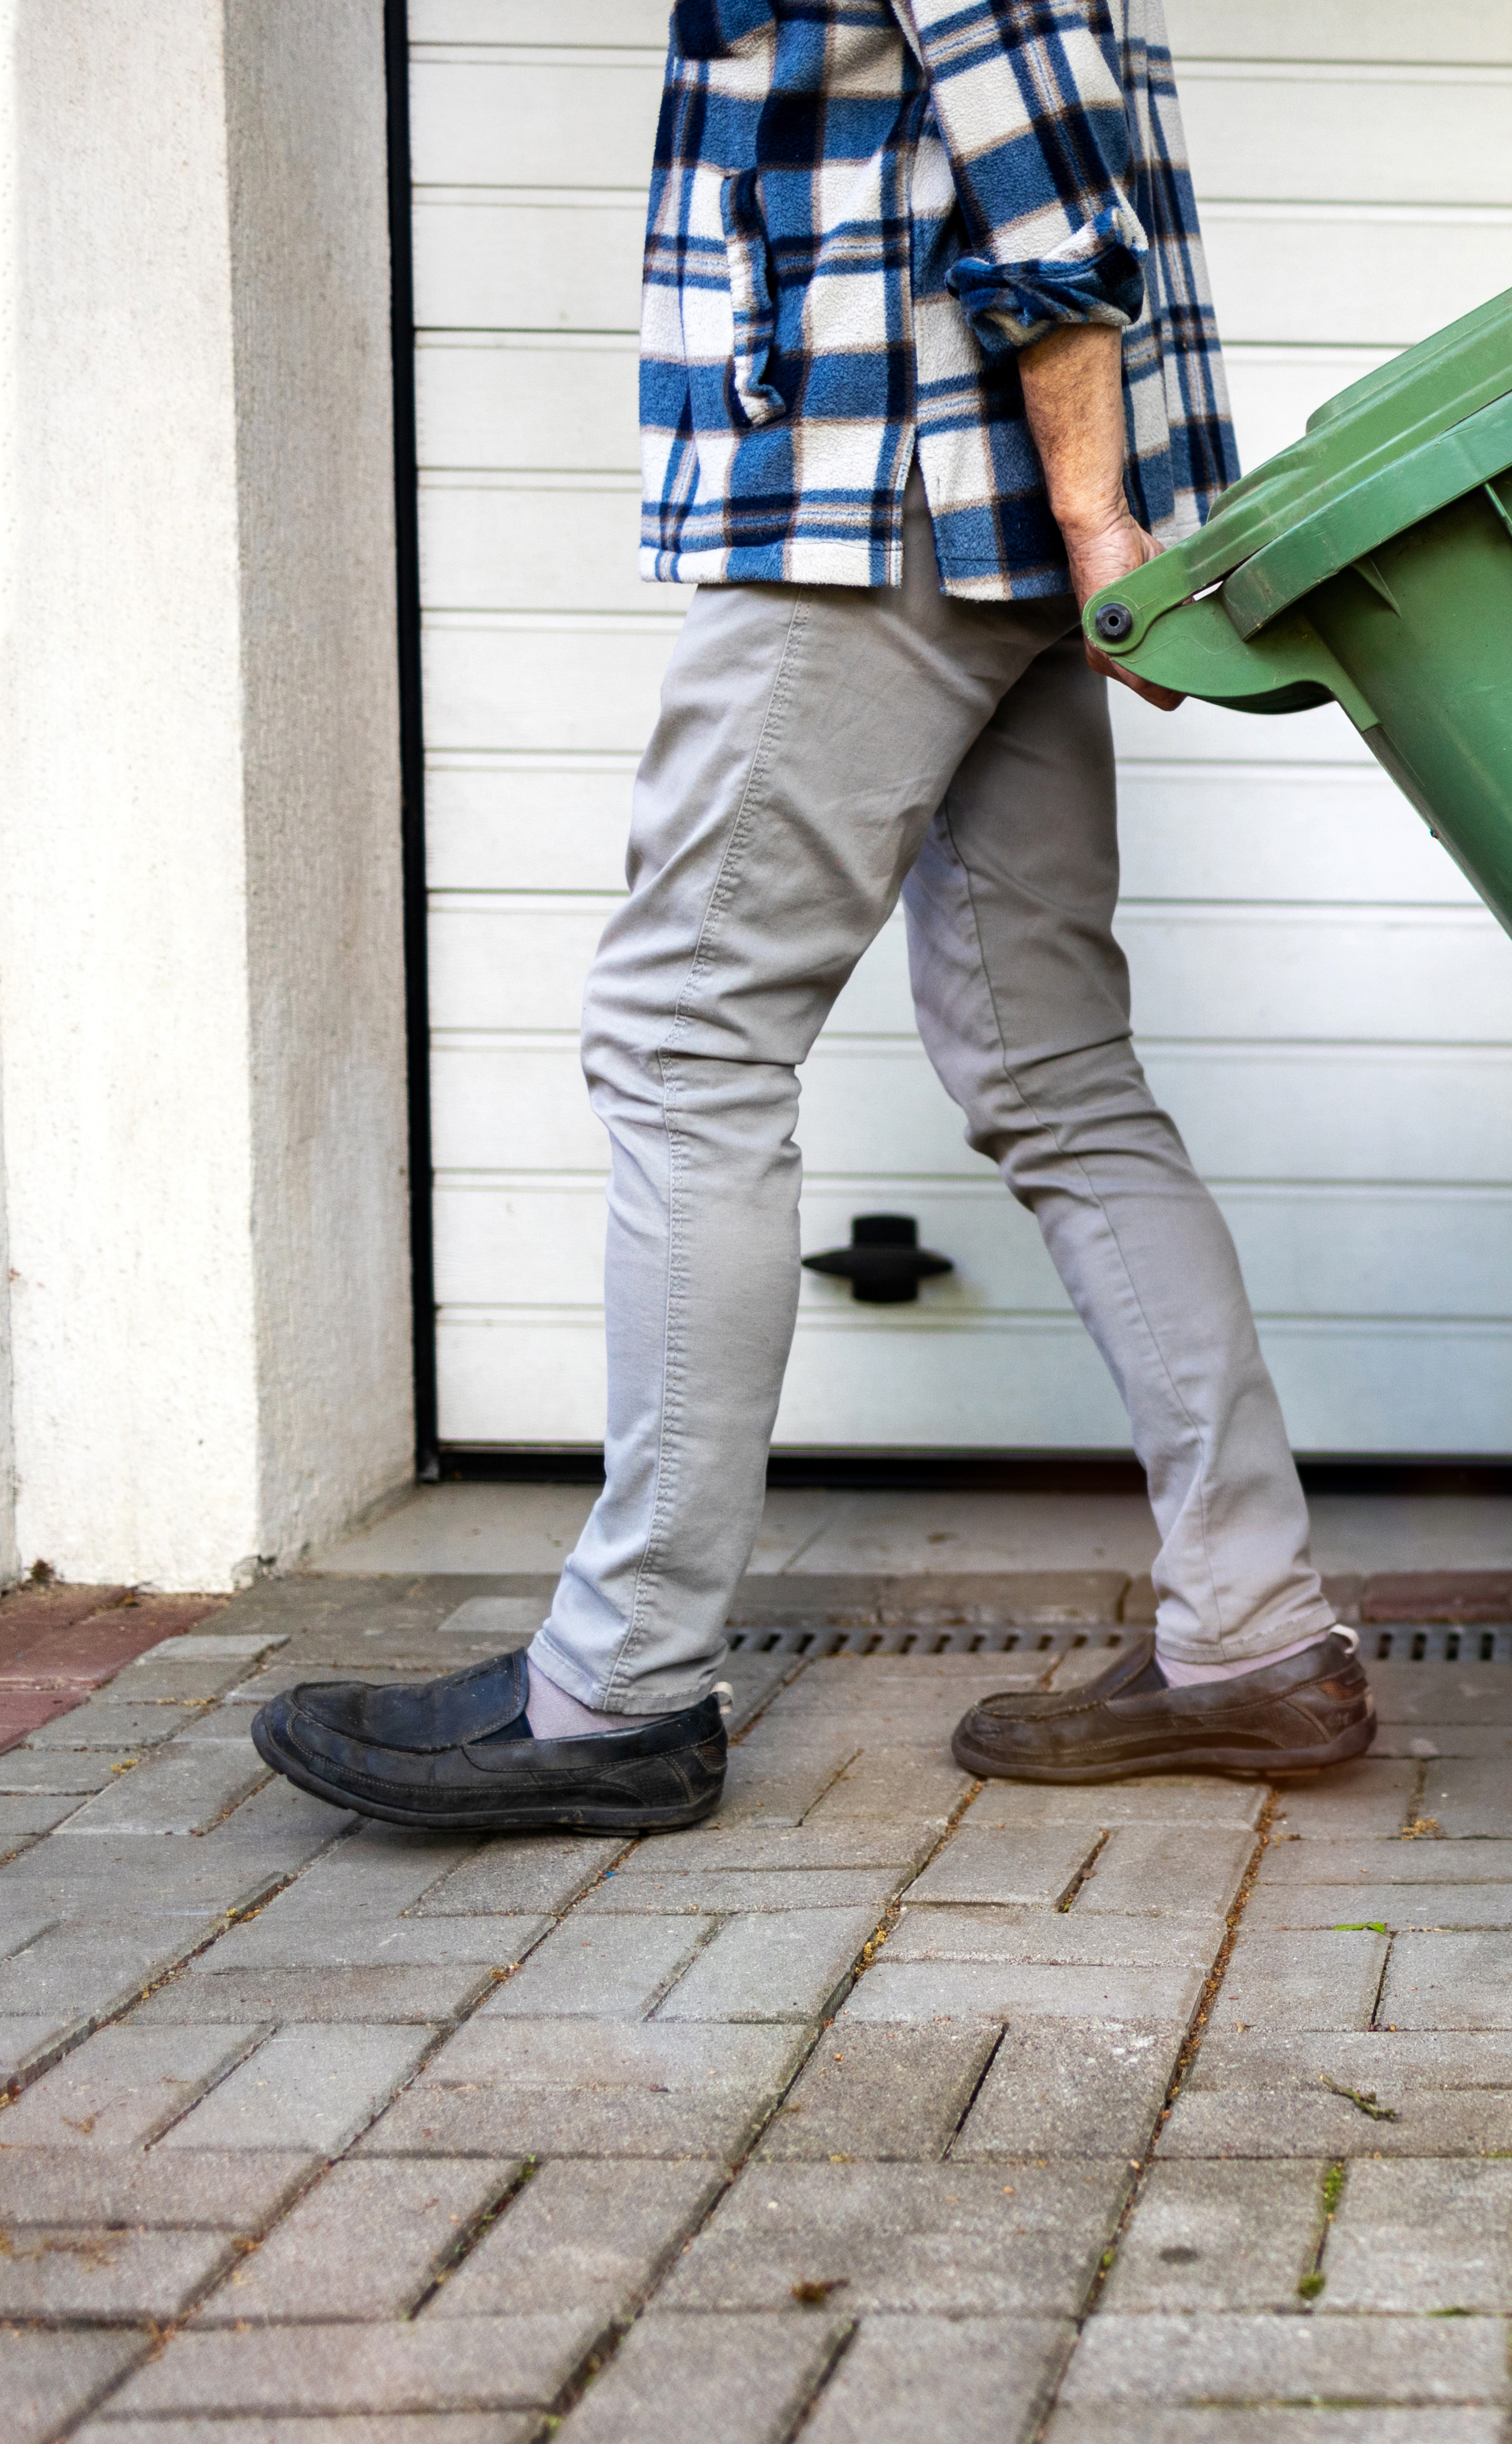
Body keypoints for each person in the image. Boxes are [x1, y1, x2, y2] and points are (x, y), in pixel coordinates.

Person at [254, 0, 1367, 1833]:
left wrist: (1098, 510)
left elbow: (1042, 146)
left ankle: (613, 1691)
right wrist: (1092, 508)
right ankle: (1252, 1634)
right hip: (981, 504)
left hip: (881, 496)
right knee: (1062, 1074)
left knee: (686, 1046)